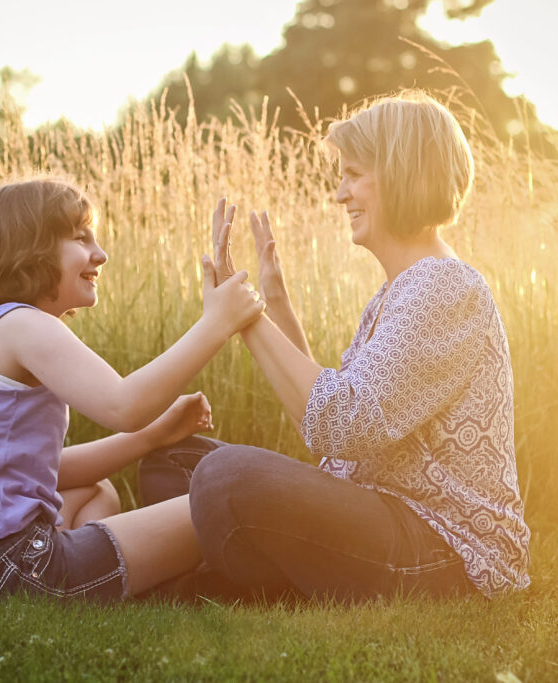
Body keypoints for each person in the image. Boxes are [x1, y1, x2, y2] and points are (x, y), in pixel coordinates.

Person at [139, 91, 531, 602]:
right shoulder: (401, 288)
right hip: (381, 512)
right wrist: (273, 305)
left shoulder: (443, 288)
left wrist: (248, 317)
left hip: (445, 549)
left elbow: (341, 425)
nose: (340, 194)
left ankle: (234, 577)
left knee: (222, 477)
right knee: (171, 463)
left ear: (400, 173)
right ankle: (253, 574)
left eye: (354, 174)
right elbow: (334, 430)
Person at [0, 178, 265, 602]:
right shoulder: (25, 325)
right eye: (80, 237)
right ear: (28, 251)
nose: (100, 253)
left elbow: (43, 469)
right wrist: (218, 322)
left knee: (98, 489)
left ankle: (92, 583)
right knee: (226, 502)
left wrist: (154, 436)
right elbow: (124, 404)